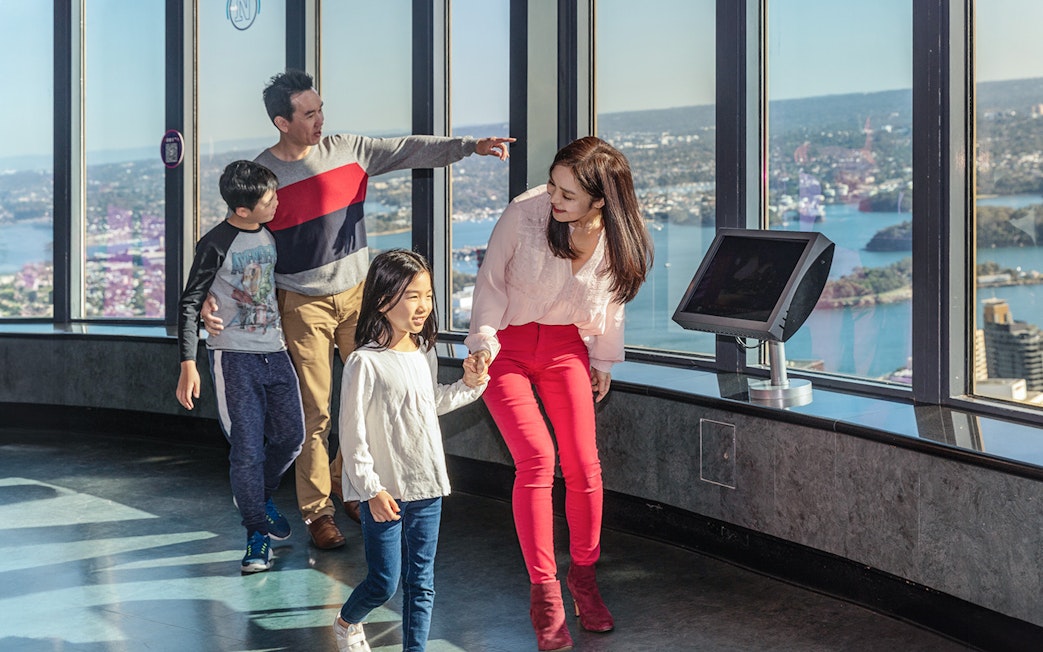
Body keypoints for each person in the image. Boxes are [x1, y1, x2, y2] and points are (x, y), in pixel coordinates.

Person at [202, 69, 513, 551]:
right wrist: (207, 296)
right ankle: (316, 512)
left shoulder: (350, 149)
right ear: (282, 122)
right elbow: (232, 240)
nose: (321, 119)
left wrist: (470, 146)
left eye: (321, 108)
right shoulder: (266, 176)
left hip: (358, 297)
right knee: (314, 413)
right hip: (300, 303)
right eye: (309, 114)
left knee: (374, 397)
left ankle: (355, 485)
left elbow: (409, 148)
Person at [465, 136, 654, 651]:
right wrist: (482, 342)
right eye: (553, 183)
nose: (553, 197)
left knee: (584, 465)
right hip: (506, 344)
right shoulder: (526, 212)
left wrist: (602, 360)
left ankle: (584, 578)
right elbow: (490, 281)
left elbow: (613, 304)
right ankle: (545, 593)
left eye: (567, 193)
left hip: (565, 346)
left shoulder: (618, 238)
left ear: (601, 201)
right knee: (537, 460)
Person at [331, 249, 488, 652]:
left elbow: (429, 402)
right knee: (384, 582)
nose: (424, 306)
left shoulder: (423, 351)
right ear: (383, 300)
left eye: (429, 295)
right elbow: (352, 436)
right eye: (413, 296)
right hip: (383, 491)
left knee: (422, 583)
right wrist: (371, 489)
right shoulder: (364, 363)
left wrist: (469, 384)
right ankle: (347, 621)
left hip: (427, 484)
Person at [176, 160, 305, 574]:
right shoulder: (214, 243)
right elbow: (190, 300)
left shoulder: (268, 233)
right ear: (243, 210)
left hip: (276, 351)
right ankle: (256, 532)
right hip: (233, 357)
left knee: (292, 437)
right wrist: (188, 363)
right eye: (270, 200)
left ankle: (257, 497)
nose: (277, 202)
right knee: (247, 451)